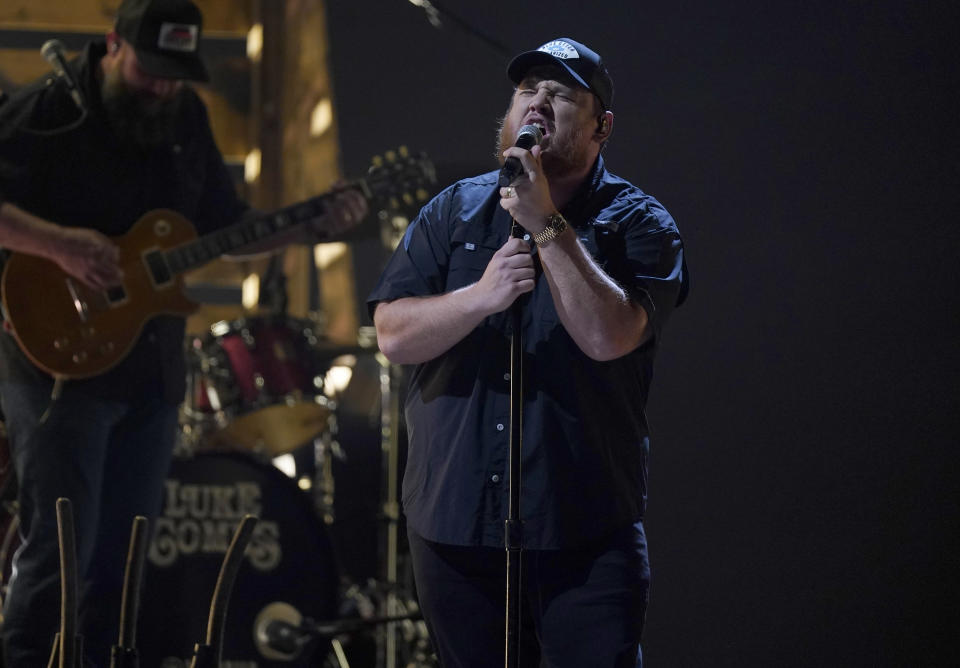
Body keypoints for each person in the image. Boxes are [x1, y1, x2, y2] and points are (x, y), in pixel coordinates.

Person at [0, 0, 365, 664]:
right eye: (151, 69)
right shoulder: (50, 110)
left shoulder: (184, 120)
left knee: (124, 559)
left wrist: (314, 223)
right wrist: (58, 247)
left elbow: (230, 228)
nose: (164, 86)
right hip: (57, 366)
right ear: (114, 45)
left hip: (150, 375)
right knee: (58, 553)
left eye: (176, 73)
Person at [368, 37, 689, 667]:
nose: (538, 101)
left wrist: (547, 226)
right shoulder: (453, 211)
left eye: (562, 93)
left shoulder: (642, 224)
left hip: (584, 536)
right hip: (454, 530)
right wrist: (479, 298)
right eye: (527, 90)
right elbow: (393, 334)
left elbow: (609, 336)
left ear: (603, 127)